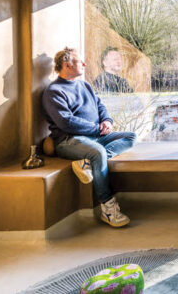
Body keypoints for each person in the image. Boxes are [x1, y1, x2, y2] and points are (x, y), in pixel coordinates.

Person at [42, 47, 136, 227]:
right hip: (69, 140)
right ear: (67, 65)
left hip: (94, 137)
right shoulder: (53, 91)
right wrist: (96, 129)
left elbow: (100, 106)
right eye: (80, 62)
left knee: (131, 137)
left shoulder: (85, 85)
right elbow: (66, 122)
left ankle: (89, 163)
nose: (84, 64)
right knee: (98, 152)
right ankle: (108, 209)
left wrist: (107, 121)